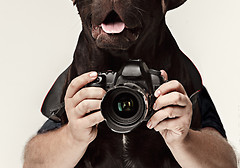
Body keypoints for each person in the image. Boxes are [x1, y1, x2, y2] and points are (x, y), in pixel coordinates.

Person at [23, 70, 237, 168]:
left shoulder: (178, 87)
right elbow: (33, 164)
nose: (127, 104)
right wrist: (72, 136)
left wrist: (183, 140)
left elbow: (227, 164)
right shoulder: (87, 84)